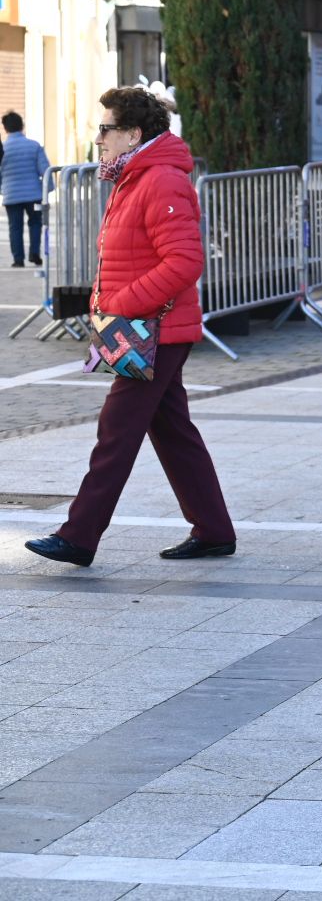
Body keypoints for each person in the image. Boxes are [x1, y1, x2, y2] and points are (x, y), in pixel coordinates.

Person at [22, 86, 236, 568]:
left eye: (105, 129)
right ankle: (215, 529)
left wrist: (121, 304)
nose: (97, 139)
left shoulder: (159, 179)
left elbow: (184, 261)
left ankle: (79, 536)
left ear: (133, 133)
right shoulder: (133, 178)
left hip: (154, 331)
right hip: (146, 329)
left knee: (116, 432)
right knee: (173, 430)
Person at [2, 110, 51, 268]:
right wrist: (48, 189)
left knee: (15, 227)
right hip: (33, 194)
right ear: (22, 126)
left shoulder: (3, 150)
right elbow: (45, 170)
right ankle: (35, 253)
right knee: (35, 223)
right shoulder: (34, 146)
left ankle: (18, 259)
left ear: (5, 128)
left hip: (11, 194)